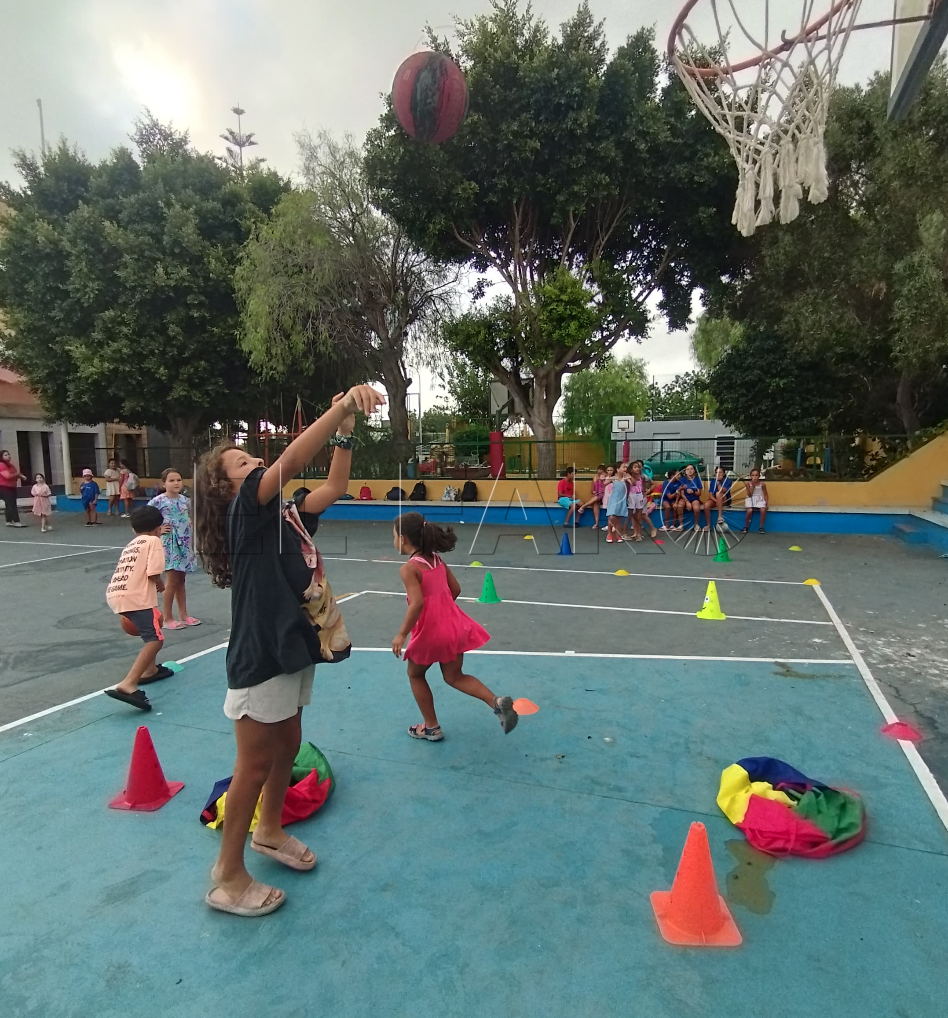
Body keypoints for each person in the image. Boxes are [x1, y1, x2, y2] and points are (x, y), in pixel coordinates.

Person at [194, 383, 385, 919]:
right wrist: (341, 404)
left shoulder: (285, 514)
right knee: (253, 763)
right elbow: (294, 459)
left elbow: (335, 485)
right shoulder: (246, 515)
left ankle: (271, 831)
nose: (254, 462)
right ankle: (227, 876)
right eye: (241, 463)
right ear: (226, 490)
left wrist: (346, 432)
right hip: (261, 653)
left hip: (294, 646)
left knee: (289, 743)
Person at [391, 511, 518, 742]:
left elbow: (417, 603)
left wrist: (401, 634)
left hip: (430, 633)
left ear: (403, 539)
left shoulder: (409, 568)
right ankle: (496, 702)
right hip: (453, 628)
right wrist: (443, 611)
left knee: (415, 675)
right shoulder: (437, 560)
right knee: (454, 676)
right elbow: (456, 589)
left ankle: (431, 727)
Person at [104, 506, 174, 711]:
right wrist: (160, 583)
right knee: (155, 640)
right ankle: (129, 683)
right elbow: (153, 571)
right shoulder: (154, 541)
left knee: (156, 620)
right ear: (159, 529)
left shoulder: (131, 544)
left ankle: (150, 670)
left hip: (116, 594)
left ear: (134, 530)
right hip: (137, 598)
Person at [149, 468, 199, 630]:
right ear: (164, 484)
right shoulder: (158, 501)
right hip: (170, 544)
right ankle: (167, 618)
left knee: (181, 580)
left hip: (185, 542)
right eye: (171, 480)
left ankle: (184, 614)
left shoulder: (186, 501)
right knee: (171, 581)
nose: (176, 483)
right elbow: (143, 518)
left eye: (178, 480)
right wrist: (158, 530)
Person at [0, 449, 27, 528]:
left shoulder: (10, 465)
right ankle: (16, 521)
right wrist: (18, 474)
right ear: (1, 457)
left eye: (8, 454)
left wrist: (20, 476)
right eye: (5, 455)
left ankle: (8, 521)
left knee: (9, 504)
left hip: (11, 487)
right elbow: (7, 476)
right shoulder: (1, 465)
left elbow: (14, 474)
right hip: (5, 487)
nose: (8, 456)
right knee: (12, 504)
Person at [605, 462, 629, 544]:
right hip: (614, 499)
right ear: (618, 469)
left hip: (622, 499)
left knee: (619, 518)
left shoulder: (625, 478)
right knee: (612, 516)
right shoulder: (613, 478)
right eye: (623, 467)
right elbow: (603, 484)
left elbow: (633, 483)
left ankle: (618, 535)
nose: (625, 469)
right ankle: (609, 534)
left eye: (626, 467)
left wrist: (629, 477)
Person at [703, 466, 733, 531]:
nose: (718, 474)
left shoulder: (728, 480)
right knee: (706, 505)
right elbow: (710, 495)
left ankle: (720, 517)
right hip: (716, 500)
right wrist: (717, 501)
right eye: (716, 472)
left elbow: (722, 491)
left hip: (724, 500)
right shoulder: (713, 481)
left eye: (720, 472)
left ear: (724, 474)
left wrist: (718, 483)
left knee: (718, 494)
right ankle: (708, 525)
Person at [577, 465, 606, 529]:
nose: (599, 475)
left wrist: (602, 480)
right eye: (598, 473)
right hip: (596, 496)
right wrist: (593, 491)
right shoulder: (595, 478)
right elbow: (592, 489)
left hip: (604, 495)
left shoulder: (607, 478)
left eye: (601, 473)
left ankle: (583, 506)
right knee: (595, 503)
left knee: (598, 497)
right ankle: (596, 523)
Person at [742, 468, 770, 533]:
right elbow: (749, 494)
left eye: (756, 475)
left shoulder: (762, 484)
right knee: (749, 510)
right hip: (750, 499)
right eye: (753, 475)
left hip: (759, 499)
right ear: (750, 476)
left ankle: (761, 527)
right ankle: (746, 526)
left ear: (759, 476)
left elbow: (765, 494)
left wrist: (766, 503)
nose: (754, 477)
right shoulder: (748, 484)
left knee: (763, 510)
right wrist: (753, 486)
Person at [679, 464, 703, 530]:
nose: (689, 471)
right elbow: (682, 494)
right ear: (685, 471)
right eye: (687, 469)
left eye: (691, 469)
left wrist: (693, 492)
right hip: (684, 498)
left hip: (694, 498)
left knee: (696, 508)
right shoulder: (682, 480)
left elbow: (699, 493)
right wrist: (687, 502)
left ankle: (696, 525)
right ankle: (681, 525)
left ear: (694, 471)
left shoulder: (697, 480)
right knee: (679, 506)